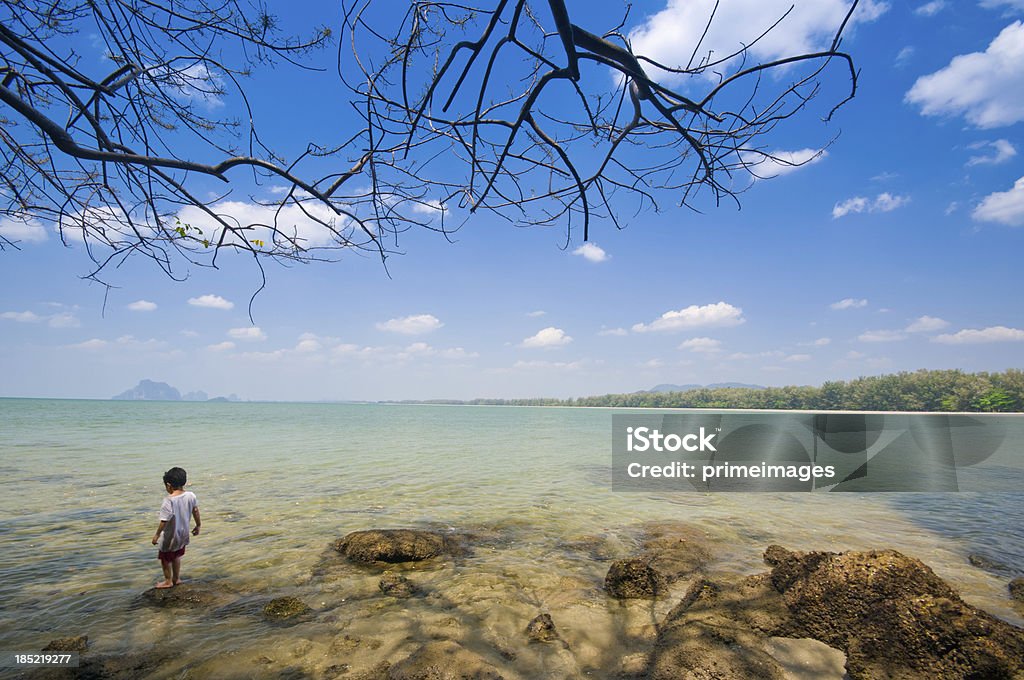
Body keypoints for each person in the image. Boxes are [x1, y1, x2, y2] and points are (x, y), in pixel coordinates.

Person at [151, 466, 201, 588]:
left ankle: (168, 581)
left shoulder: (169, 501)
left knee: (165, 559)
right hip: (183, 534)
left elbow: (164, 520)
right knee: (176, 556)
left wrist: (157, 535)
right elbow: (195, 511)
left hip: (170, 536)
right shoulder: (191, 495)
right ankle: (176, 579)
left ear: (168, 485)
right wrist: (198, 525)